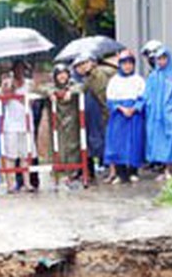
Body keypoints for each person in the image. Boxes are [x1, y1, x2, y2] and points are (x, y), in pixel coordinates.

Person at [144, 45, 172, 180]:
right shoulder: (153, 76)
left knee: (171, 142)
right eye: (158, 59)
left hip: (170, 114)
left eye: (163, 58)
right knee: (158, 143)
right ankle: (163, 169)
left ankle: (170, 169)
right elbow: (147, 95)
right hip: (156, 115)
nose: (161, 61)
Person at [104, 49, 146, 184]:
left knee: (135, 142)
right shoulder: (114, 81)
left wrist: (134, 108)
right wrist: (121, 108)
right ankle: (121, 173)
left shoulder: (139, 80)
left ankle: (133, 171)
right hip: (119, 116)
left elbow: (143, 98)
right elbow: (110, 100)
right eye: (124, 63)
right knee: (118, 144)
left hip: (134, 115)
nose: (127, 66)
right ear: (120, 65)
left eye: (130, 63)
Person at [74, 52, 116, 182]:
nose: (84, 66)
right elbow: (80, 88)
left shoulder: (104, 72)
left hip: (110, 110)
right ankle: (111, 172)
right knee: (104, 142)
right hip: (101, 113)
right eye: (81, 64)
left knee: (113, 141)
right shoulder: (88, 78)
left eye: (86, 62)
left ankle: (120, 171)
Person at [43, 63, 85, 185]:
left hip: (73, 121)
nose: (62, 77)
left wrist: (70, 91)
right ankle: (59, 173)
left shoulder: (73, 85)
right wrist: (51, 92)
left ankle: (73, 173)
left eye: (64, 74)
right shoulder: (51, 86)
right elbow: (40, 88)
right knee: (58, 147)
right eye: (59, 74)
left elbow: (82, 87)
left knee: (73, 146)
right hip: (57, 123)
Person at [0, 59, 37, 192]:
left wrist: (17, 95)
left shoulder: (29, 84)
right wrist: (7, 89)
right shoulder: (7, 83)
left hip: (26, 122)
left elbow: (31, 102)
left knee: (25, 155)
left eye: (22, 69)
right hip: (11, 124)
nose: (19, 71)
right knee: (11, 155)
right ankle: (11, 183)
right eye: (17, 69)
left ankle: (27, 183)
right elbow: (2, 101)